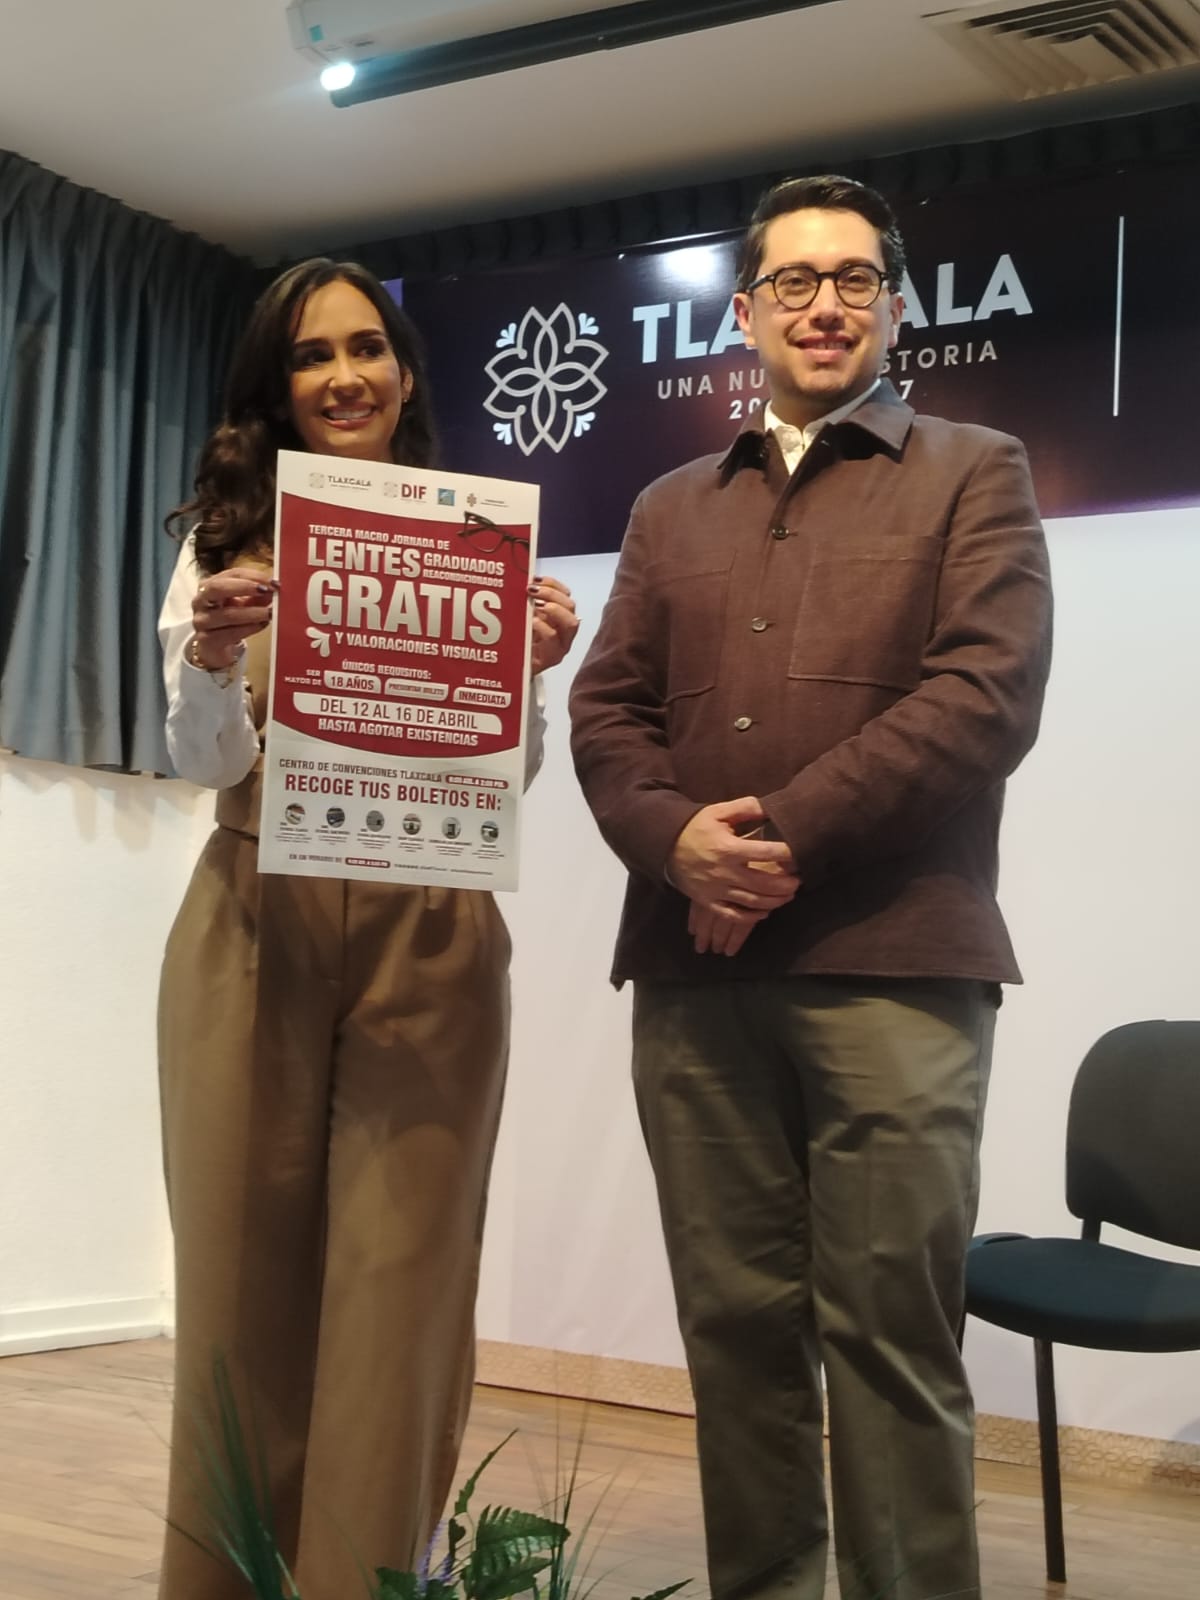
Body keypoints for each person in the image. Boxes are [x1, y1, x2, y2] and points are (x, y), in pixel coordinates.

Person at [568, 176, 1052, 1600]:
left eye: (853, 280)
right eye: (794, 281)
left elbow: (985, 698)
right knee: (734, 1334)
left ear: (896, 308)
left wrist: (767, 841)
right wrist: (676, 844)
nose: (823, 305)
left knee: (892, 1340)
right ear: (746, 312)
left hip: (898, 967)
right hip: (693, 975)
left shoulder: (976, 469)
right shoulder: (668, 508)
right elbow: (606, 713)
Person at [156, 257, 578, 1600]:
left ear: (404, 372)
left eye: (365, 348)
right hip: (253, 919)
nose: (343, 376)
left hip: (433, 926)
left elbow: (506, 783)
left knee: (404, 1292)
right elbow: (205, 764)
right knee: (236, 1287)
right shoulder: (222, 546)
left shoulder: (476, 538)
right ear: (275, 387)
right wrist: (209, 659)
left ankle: (371, 1582)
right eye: (310, 355)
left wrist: (527, 678)